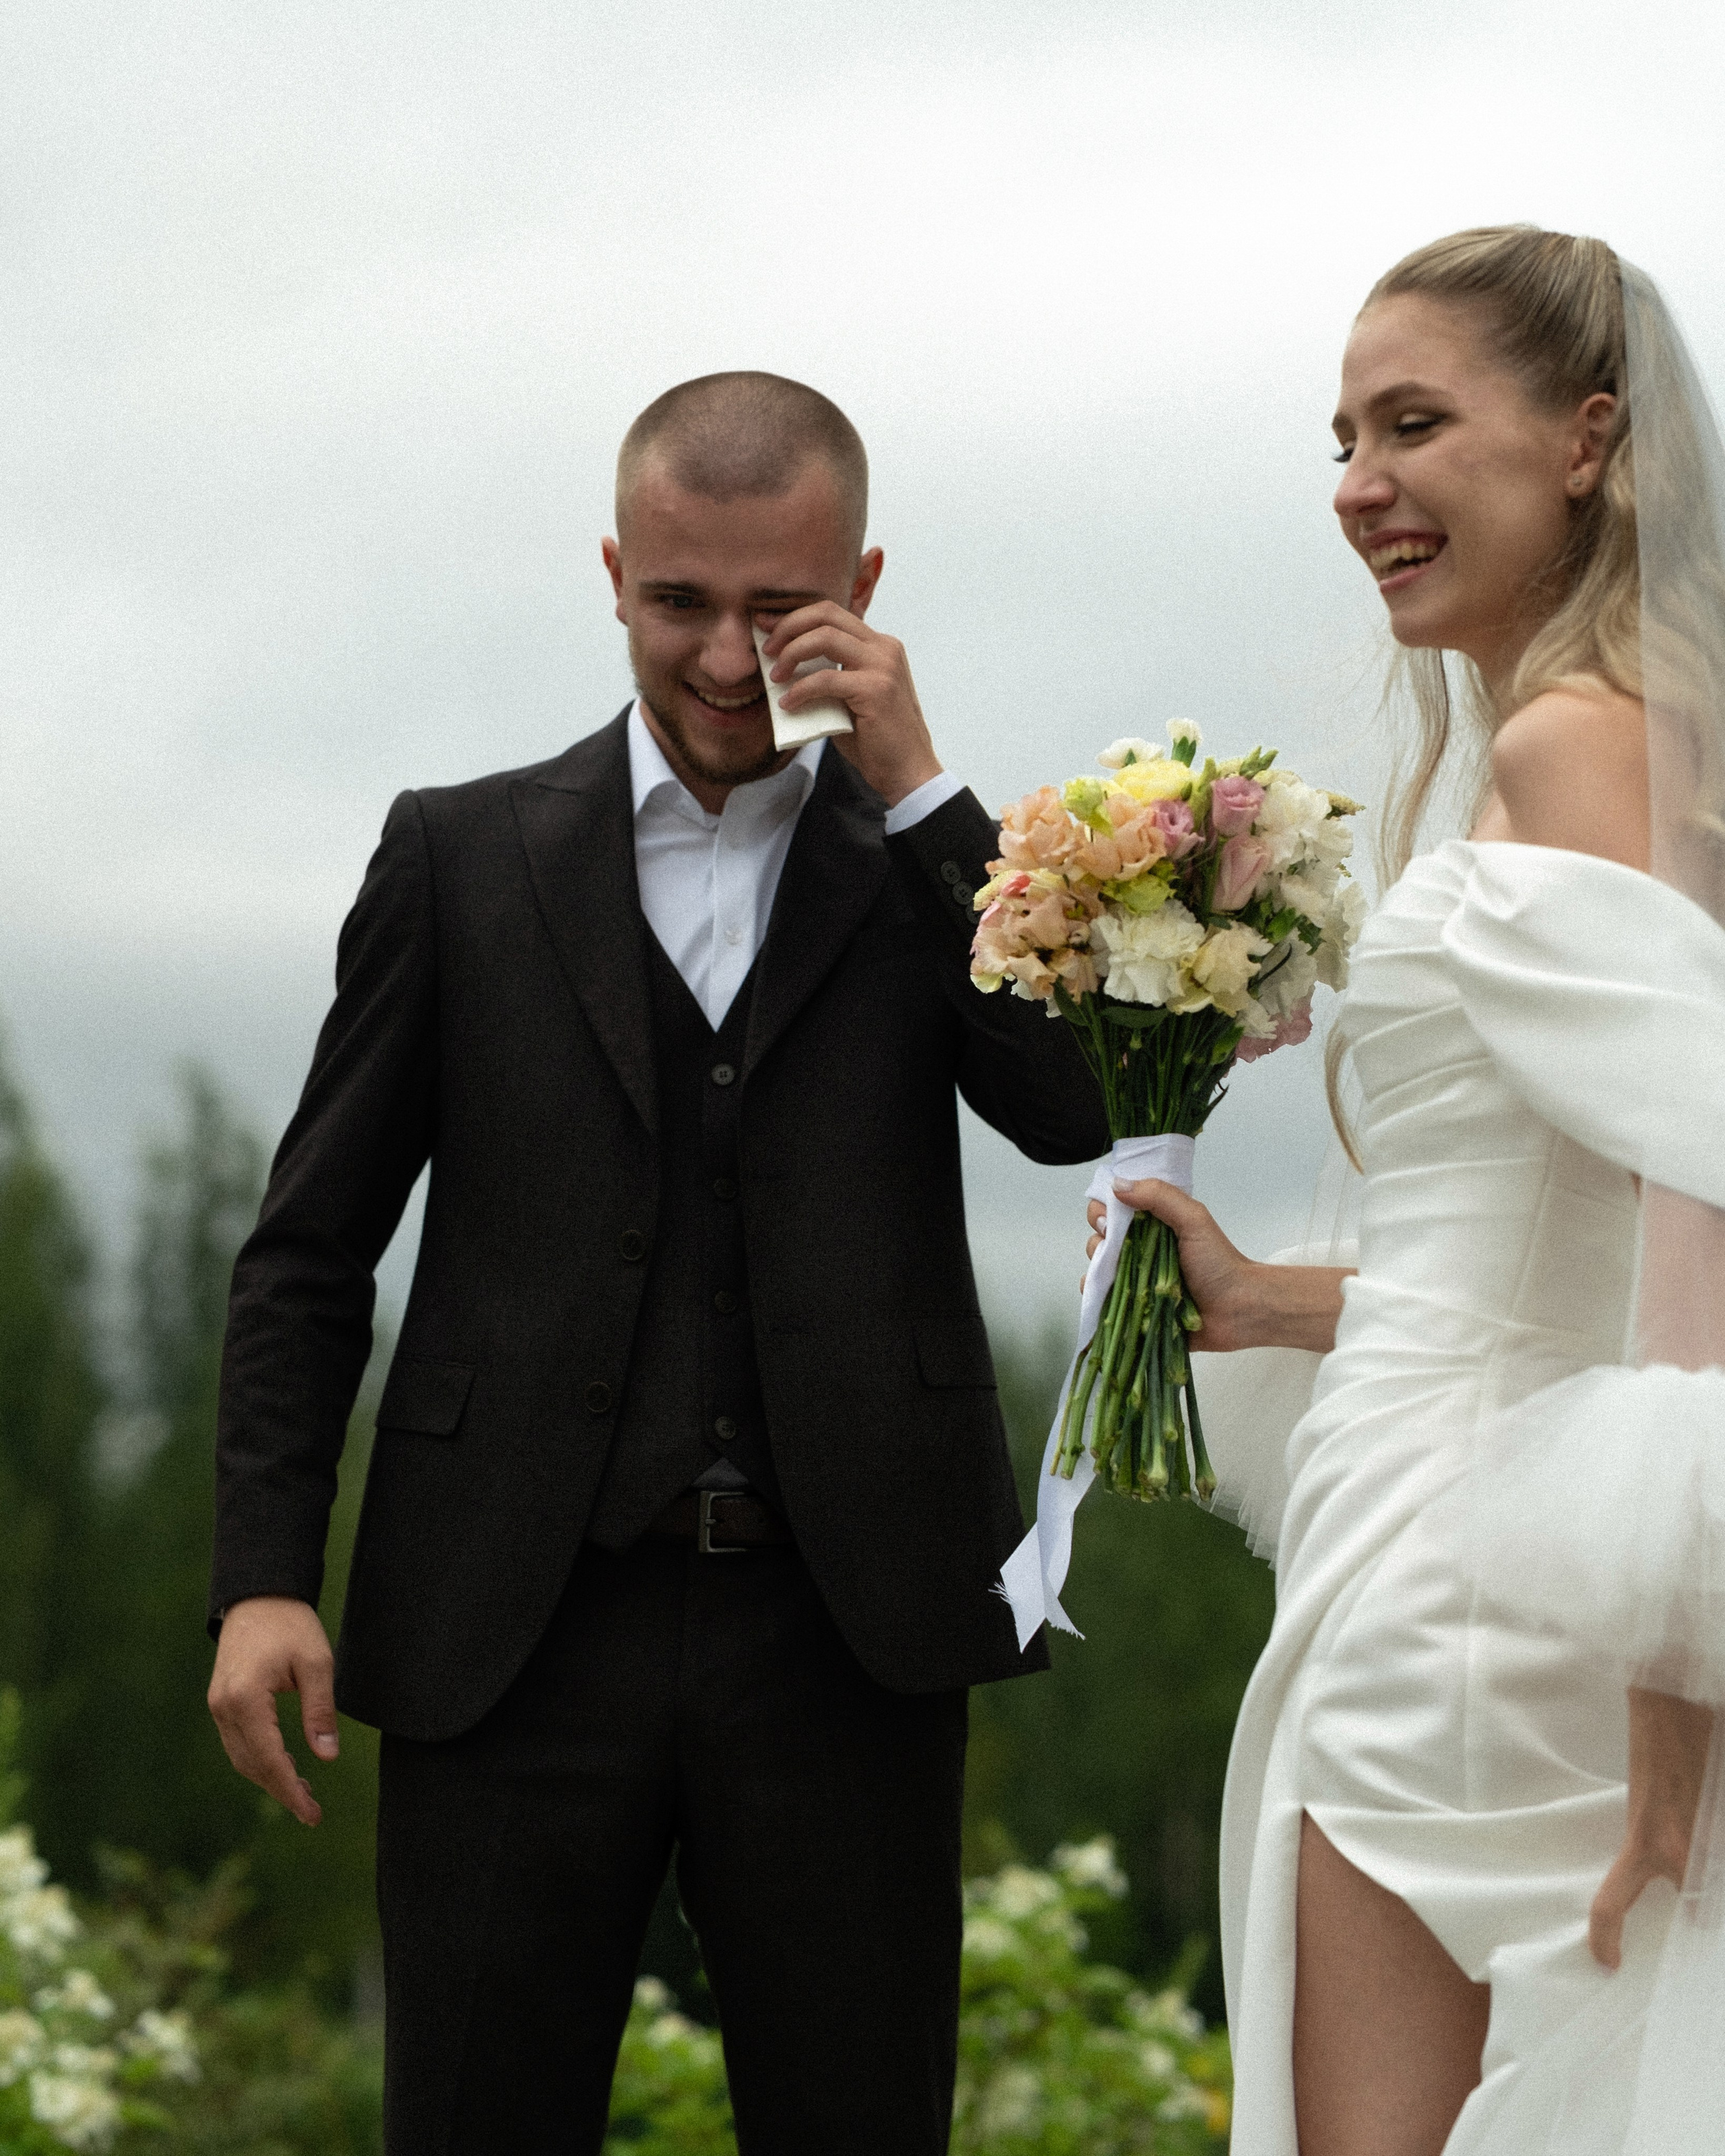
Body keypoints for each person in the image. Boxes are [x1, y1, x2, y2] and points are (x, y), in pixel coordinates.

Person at [205, 369, 1107, 2154]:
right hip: (507, 1632)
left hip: (848, 1637)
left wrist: (923, 792)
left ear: (861, 580)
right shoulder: (457, 858)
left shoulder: (931, 864)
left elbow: (1071, 1108)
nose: (720, 659)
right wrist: (260, 1574)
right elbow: (311, 1243)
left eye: (779, 611)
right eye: (678, 603)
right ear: (615, 571)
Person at [1095, 228, 1725, 2153]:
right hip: (1491, 1538)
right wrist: (1268, 1299)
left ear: (1590, 438)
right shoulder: (1621, 745)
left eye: (1420, 423)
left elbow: (1702, 1212)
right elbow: (1574, 1251)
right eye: (1347, 436)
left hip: (1462, 1599)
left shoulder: (1568, 744)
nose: (1362, 484)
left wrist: (1672, 1694)